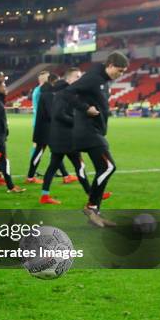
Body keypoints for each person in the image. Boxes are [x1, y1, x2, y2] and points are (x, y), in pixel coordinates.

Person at [67, 52, 128, 227]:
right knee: (108, 166)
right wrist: (85, 108)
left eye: (124, 72)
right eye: (119, 70)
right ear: (110, 65)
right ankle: (91, 207)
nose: (121, 74)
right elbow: (69, 92)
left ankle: (95, 213)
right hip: (87, 131)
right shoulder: (93, 77)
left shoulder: (101, 80)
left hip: (94, 132)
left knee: (104, 167)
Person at [39, 68, 100, 204]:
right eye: (77, 76)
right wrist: (76, 122)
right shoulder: (66, 93)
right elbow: (59, 114)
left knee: (54, 166)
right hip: (65, 138)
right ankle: (91, 195)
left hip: (59, 137)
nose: (80, 79)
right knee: (79, 166)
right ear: (69, 79)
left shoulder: (63, 92)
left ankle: (45, 196)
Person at [26, 74, 77, 184]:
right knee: (43, 152)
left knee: (55, 153)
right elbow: (51, 113)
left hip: (44, 128)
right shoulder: (48, 95)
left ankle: (65, 175)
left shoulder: (44, 93)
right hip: (46, 129)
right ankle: (30, 177)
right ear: (54, 82)